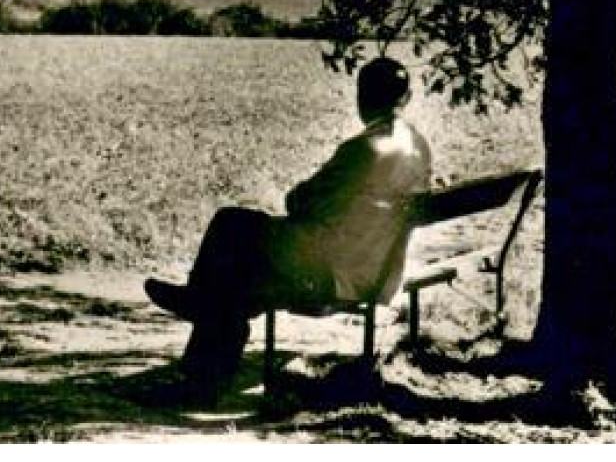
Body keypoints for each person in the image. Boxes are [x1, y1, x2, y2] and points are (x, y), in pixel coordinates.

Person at [143, 57, 432, 403]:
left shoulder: (363, 149)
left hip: (331, 272)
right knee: (234, 277)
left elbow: (300, 201)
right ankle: (201, 350)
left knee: (230, 225)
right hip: (375, 272)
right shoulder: (419, 148)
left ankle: (199, 351)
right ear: (407, 96)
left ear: (361, 97)